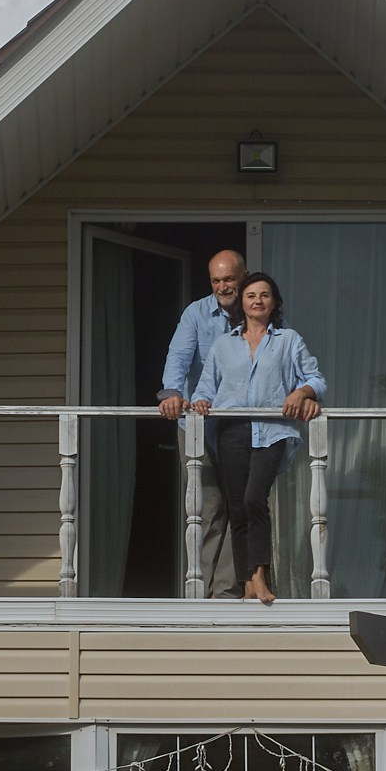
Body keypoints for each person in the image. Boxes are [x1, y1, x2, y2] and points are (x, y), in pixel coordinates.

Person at [190, 271, 326, 605]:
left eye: (264, 295)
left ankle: (260, 575)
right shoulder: (224, 345)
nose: (257, 301)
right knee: (237, 507)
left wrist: (302, 392)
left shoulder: (288, 340)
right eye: (251, 295)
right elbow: (205, 387)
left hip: (273, 431)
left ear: (274, 302)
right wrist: (202, 400)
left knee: (254, 498)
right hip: (232, 431)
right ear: (242, 303)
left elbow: (316, 379)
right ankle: (246, 580)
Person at [157, 249, 245, 596]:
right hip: (198, 427)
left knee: (241, 505)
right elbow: (178, 356)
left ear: (244, 275)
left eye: (229, 279)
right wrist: (172, 394)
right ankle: (204, 591)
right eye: (216, 280)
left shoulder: (257, 312)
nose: (222, 286)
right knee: (208, 509)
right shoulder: (196, 313)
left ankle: (226, 590)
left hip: (243, 427)